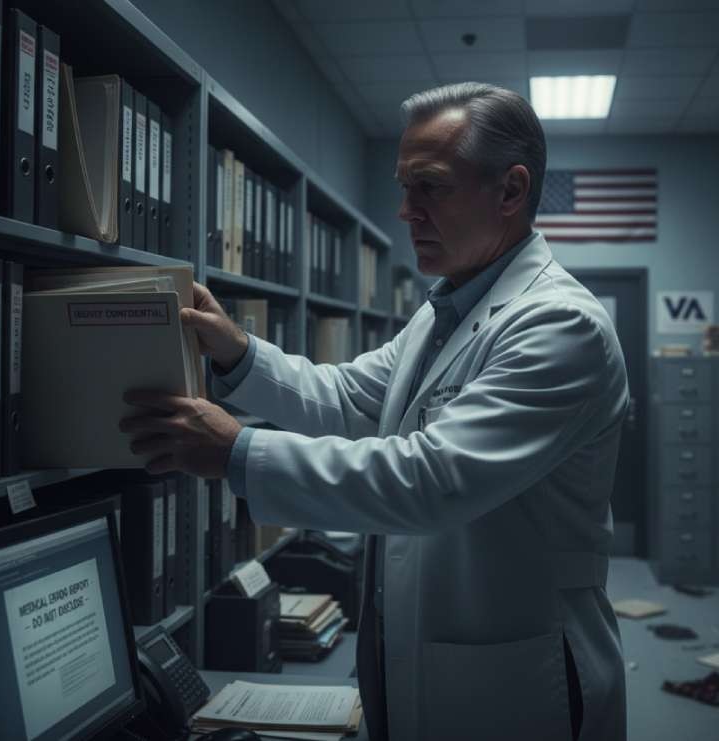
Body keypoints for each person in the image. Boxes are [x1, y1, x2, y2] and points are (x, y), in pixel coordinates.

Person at [120, 82, 629, 741]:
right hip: (417, 659)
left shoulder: (562, 326)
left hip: (518, 679)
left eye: (430, 187)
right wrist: (237, 352)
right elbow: (348, 397)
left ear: (510, 190)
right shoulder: (444, 311)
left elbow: (429, 479)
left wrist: (235, 452)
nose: (404, 211)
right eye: (403, 186)